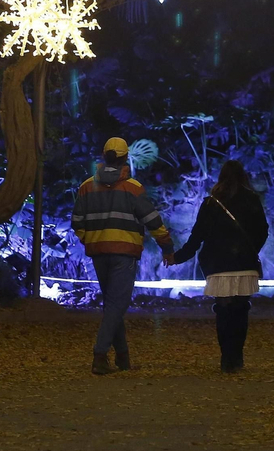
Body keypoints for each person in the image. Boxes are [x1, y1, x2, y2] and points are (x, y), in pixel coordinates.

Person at [71, 136, 174, 375]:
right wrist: (166, 247)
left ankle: (123, 357)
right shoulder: (133, 188)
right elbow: (152, 220)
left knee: (112, 304)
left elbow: (77, 221)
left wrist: (90, 239)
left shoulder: (86, 186)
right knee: (118, 304)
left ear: (104, 156)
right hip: (124, 253)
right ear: (125, 158)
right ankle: (100, 354)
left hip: (99, 252)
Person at [169, 159, 269, 373]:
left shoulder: (210, 203)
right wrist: (251, 251)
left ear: (221, 177)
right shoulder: (252, 199)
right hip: (244, 264)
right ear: (244, 177)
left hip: (218, 266)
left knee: (223, 311)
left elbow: (196, 238)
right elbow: (263, 231)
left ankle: (226, 358)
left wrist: (177, 257)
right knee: (241, 311)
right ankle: (237, 357)